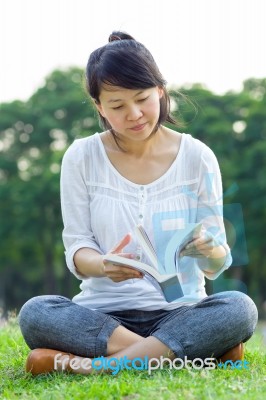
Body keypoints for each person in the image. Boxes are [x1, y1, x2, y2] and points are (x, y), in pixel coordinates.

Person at [18, 31, 258, 375]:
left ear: (161, 91)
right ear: (99, 106)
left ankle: (92, 368)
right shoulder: (81, 157)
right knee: (36, 311)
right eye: (117, 105)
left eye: (142, 98)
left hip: (180, 311)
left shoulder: (197, 157)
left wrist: (208, 248)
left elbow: (217, 264)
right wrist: (104, 264)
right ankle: (189, 355)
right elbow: (78, 247)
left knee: (239, 307)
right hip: (104, 316)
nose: (134, 114)